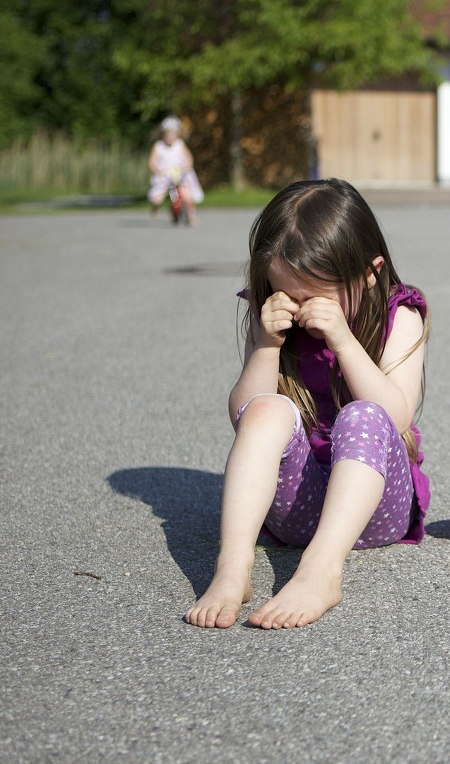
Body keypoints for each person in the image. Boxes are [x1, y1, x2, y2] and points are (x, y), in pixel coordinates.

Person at [185, 179, 431, 629]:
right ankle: (232, 568)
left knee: (365, 415)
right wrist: (265, 345)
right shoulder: (272, 318)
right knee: (266, 409)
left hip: (375, 513)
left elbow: (397, 417)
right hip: (295, 512)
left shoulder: (401, 316)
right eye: (288, 294)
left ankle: (321, 569)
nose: (300, 309)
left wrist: (342, 338)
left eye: (316, 296)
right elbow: (243, 413)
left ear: (371, 272)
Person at [147, 115, 204, 225]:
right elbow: (152, 162)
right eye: (167, 134)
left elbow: (188, 159)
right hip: (164, 176)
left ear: (177, 134)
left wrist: (185, 167)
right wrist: (158, 170)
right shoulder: (158, 146)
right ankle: (156, 207)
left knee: (187, 195)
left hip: (180, 175)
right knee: (157, 199)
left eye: (172, 134)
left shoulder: (180, 145)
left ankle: (191, 215)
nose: (169, 137)